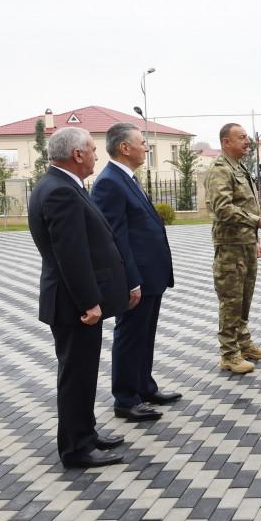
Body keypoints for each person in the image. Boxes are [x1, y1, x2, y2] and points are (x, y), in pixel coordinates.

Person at [27, 127, 130, 468]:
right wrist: (89, 301)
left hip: (72, 300)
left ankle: (86, 432)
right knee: (76, 376)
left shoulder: (61, 185)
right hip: (73, 304)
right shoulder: (60, 191)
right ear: (77, 154)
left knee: (83, 373)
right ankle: (76, 449)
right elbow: (70, 253)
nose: (97, 155)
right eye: (92, 149)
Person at [91, 123, 180, 424]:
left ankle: (144, 387)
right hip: (136, 278)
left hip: (151, 275)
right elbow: (115, 238)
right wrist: (131, 281)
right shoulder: (109, 183)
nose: (146, 147)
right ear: (124, 148)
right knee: (130, 336)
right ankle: (126, 399)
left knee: (145, 334)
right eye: (142, 143)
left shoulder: (127, 177)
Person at [206, 123, 261, 374]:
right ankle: (229, 354)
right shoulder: (220, 169)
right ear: (226, 142)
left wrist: (254, 239)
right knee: (231, 300)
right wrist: (257, 221)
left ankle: (243, 344)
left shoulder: (238, 166)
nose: (247, 141)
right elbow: (222, 209)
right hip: (230, 248)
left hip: (245, 243)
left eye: (247, 137)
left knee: (244, 298)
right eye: (241, 138)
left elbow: (244, 205)